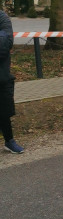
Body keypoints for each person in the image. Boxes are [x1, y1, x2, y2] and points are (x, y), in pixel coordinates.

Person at [0, 10, 24, 154]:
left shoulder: (2, 17)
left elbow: (6, 43)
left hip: (2, 76)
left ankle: (9, 141)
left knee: (4, 111)